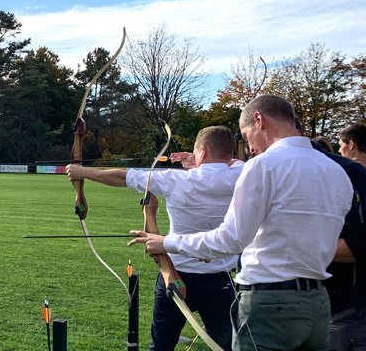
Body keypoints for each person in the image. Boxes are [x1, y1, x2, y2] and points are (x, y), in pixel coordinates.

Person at [129, 95, 354, 350]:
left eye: (247, 137)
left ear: (259, 120)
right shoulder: (336, 171)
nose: (250, 149)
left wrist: (166, 242)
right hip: (318, 303)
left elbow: (230, 240)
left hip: (269, 303)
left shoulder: (263, 165)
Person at [67, 126, 242, 351]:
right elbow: (231, 163)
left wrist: (83, 173)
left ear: (203, 151)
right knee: (226, 346)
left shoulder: (176, 179)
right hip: (221, 280)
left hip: (176, 276)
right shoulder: (242, 173)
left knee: (161, 347)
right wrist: (198, 158)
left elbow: (125, 176)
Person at [321, 126, 366, 350]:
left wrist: (297, 245)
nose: (339, 149)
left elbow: (359, 245)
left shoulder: (353, 176)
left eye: (340, 144)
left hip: (349, 309)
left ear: (351, 145)